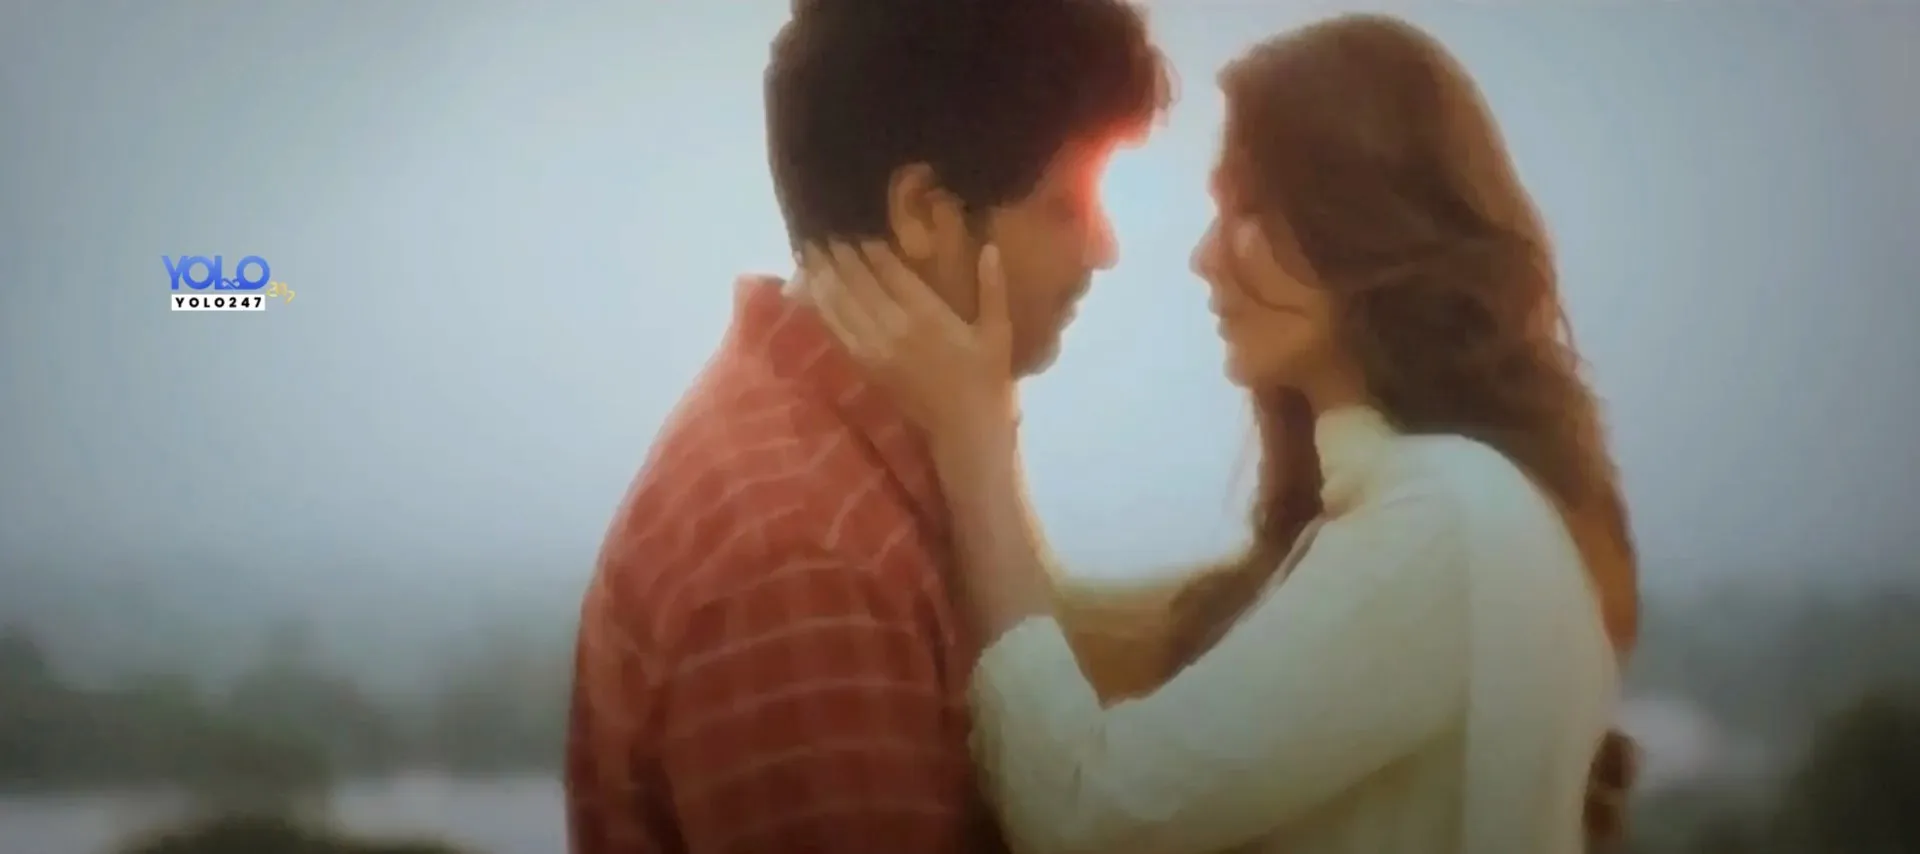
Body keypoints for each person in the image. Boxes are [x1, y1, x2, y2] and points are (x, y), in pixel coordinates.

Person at [802, 12, 1641, 854]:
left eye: (1249, 208)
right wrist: (982, 408)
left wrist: (975, 442)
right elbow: (1071, 658)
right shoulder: (1413, 512)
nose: (1205, 257)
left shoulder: (1445, 521)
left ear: (1365, 222)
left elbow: (1086, 811)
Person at [562, 2, 1171, 853]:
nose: (1104, 250)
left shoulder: (857, 456)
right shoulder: (803, 562)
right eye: (1067, 205)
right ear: (924, 211)